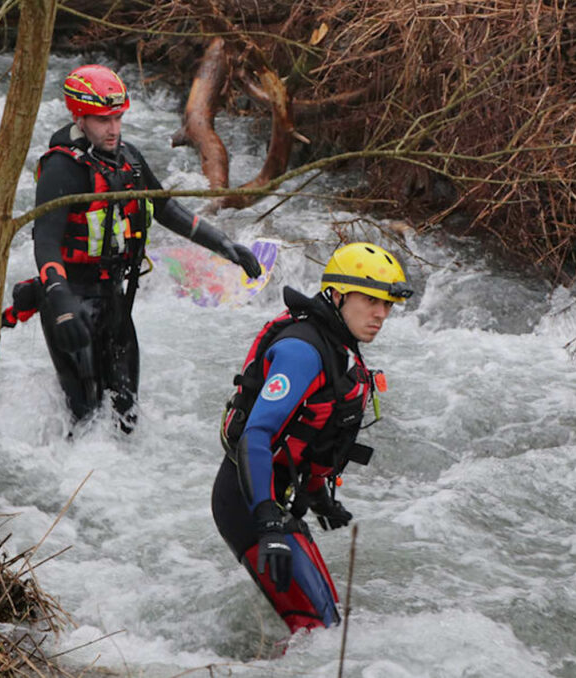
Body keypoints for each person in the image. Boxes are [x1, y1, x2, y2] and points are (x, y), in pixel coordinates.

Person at [25, 64, 261, 432]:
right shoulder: (61, 169)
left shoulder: (129, 159)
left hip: (114, 301)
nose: (113, 129)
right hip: (71, 303)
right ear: (79, 116)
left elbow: (165, 207)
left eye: (118, 117)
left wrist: (224, 244)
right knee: (84, 417)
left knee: (126, 416)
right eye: (103, 120)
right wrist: (59, 299)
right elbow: (47, 241)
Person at [212, 242, 413, 635]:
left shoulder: (339, 347)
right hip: (248, 504)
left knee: (329, 625)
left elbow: (316, 435)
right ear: (336, 295)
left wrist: (319, 497)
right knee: (316, 631)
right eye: (371, 300)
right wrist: (268, 522)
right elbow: (255, 436)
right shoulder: (302, 352)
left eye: (387, 305)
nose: (381, 314)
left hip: (277, 503)